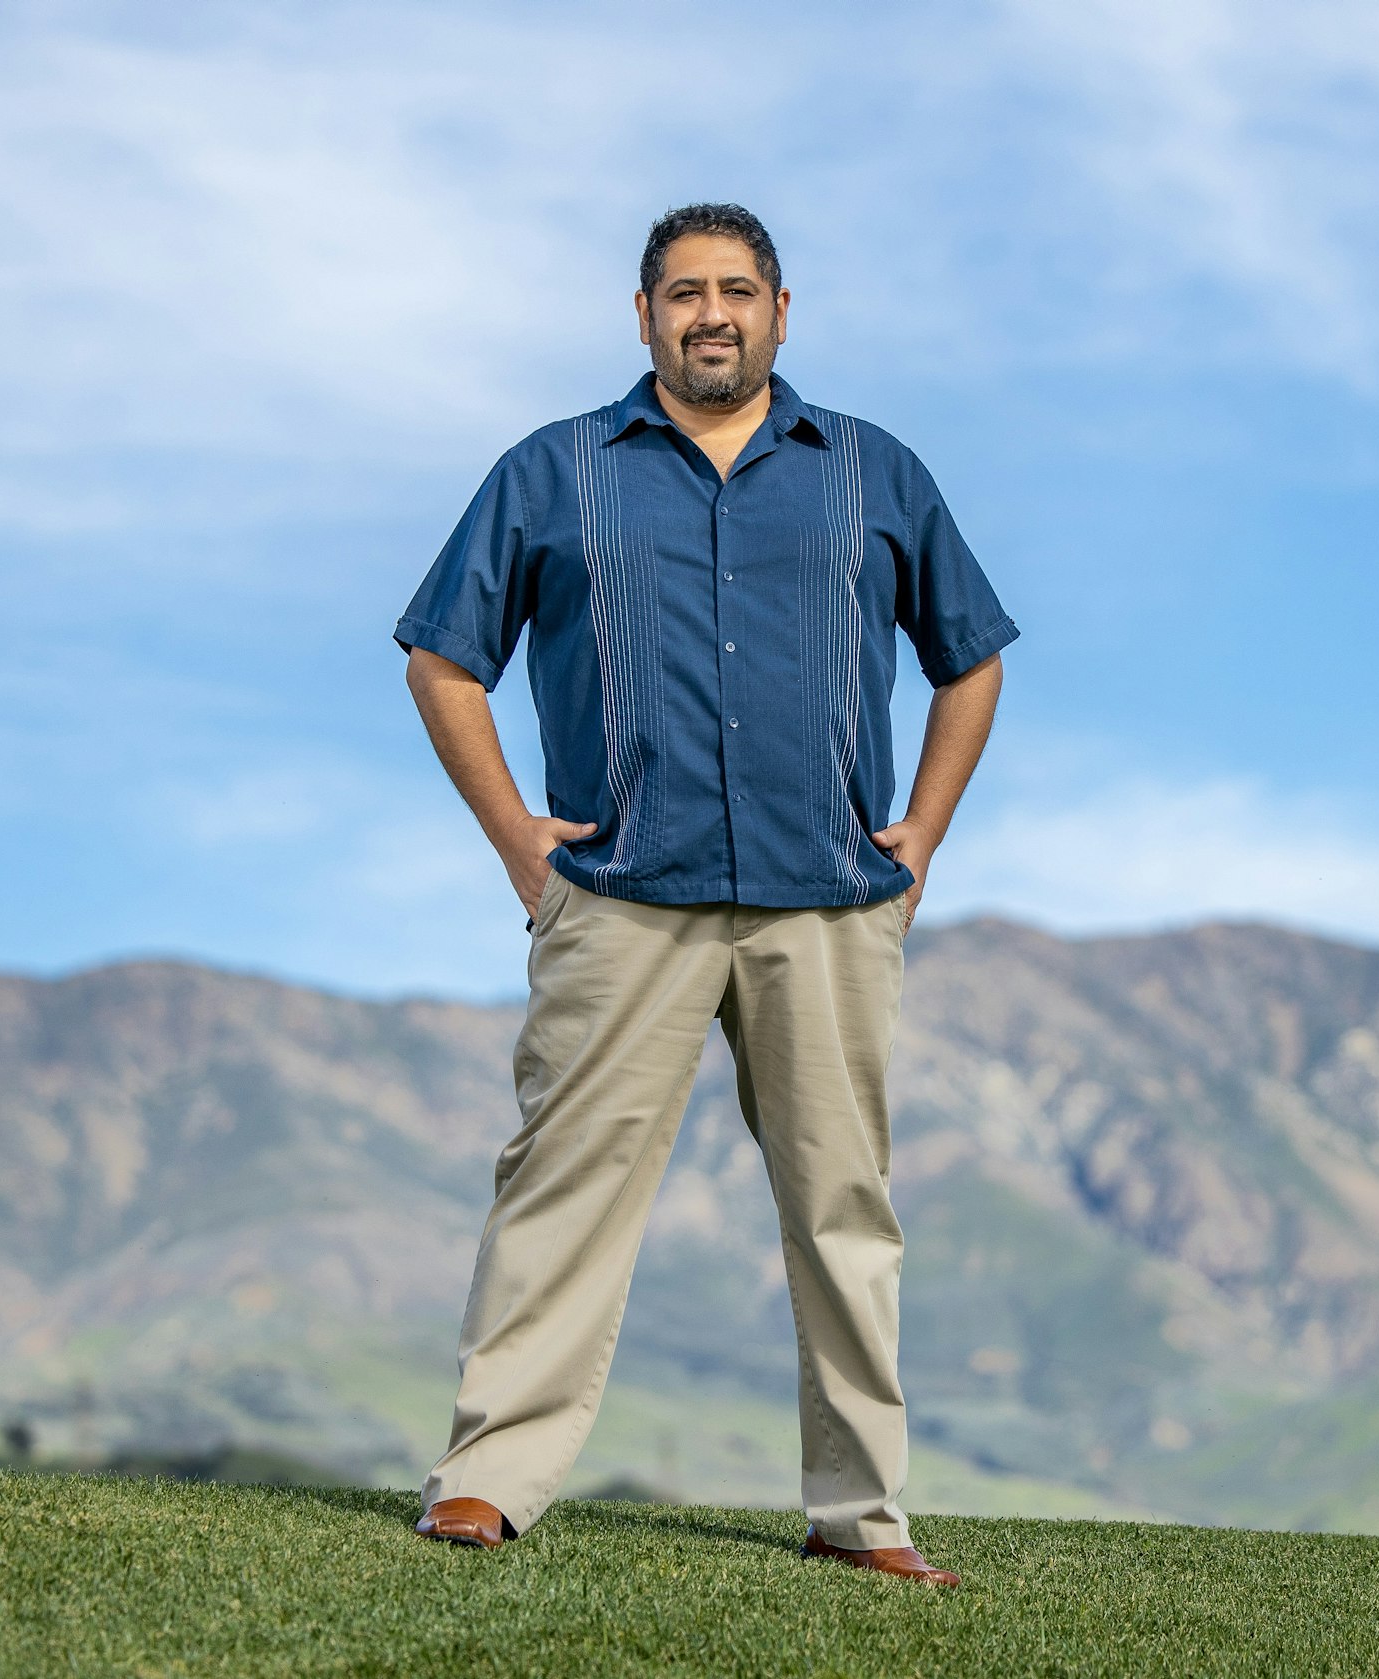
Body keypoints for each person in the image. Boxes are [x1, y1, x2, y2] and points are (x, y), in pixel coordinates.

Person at [394, 203, 1015, 1586]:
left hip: (827, 904)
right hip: (621, 896)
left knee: (844, 1204)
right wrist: (517, 843)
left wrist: (920, 837)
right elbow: (444, 659)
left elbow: (969, 657)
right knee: (560, 1182)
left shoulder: (874, 473)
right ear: (643, 317)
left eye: (738, 291)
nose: (711, 314)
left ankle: (862, 1516)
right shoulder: (553, 473)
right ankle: (486, 1483)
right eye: (684, 294)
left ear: (783, 312)